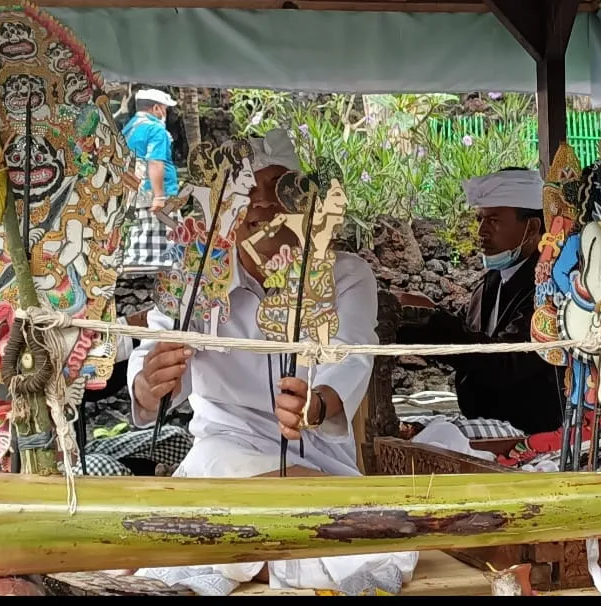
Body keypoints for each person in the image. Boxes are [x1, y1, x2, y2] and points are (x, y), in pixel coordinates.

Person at [127, 130, 418, 594]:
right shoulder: (195, 278)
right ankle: (265, 559)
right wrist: (150, 383)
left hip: (317, 461)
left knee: (377, 535)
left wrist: (316, 405)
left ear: (306, 202)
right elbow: (152, 359)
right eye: (245, 190)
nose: (261, 203)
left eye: (277, 187)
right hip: (225, 454)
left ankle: (244, 561)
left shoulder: (343, 274)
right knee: (367, 539)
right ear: (222, 206)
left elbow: (350, 352)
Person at [395, 168, 565, 435]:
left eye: (493, 221)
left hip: (532, 432)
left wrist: (435, 323)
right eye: (480, 219)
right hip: (487, 420)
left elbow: (506, 361)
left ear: (532, 228)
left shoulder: (549, 287)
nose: (481, 231)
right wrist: (414, 316)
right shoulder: (493, 281)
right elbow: (468, 333)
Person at [121, 88, 180, 271]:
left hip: (134, 194)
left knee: (139, 241)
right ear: (156, 108)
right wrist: (159, 196)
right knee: (164, 248)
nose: (165, 114)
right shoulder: (155, 130)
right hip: (156, 196)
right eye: (165, 109)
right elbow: (155, 161)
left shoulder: (128, 129)